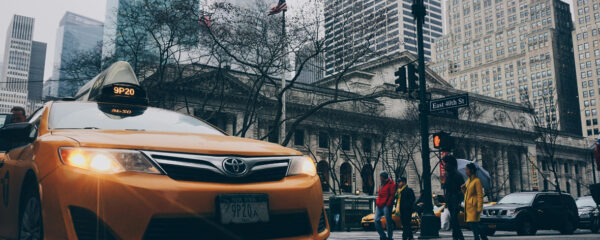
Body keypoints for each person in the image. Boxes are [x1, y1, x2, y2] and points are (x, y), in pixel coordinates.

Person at [462, 163, 487, 240]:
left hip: (474, 207)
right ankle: (483, 237)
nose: (466, 171)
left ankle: (478, 238)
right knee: (473, 225)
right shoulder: (468, 180)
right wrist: (463, 188)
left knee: (474, 225)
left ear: (471, 170)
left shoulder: (477, 181)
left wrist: (479, 207)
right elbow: (467, 193)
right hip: (468, 207)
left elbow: (480, 195)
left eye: (467, 169)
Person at [442, 155, 465, 240]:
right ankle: (456, 237)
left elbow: (462, 189)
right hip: (450, 201)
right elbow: (446, 189)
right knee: (453, 220)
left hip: (455, 200)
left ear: (450, 164)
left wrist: (459, 201)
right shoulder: (449, 175)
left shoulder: (457, 175)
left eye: (446, 164)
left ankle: (459, 237)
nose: (444, 166)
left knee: (454, 220)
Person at [375, 172, 396, 240]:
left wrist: (388, 204)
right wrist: (377, 202)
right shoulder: (381, 184)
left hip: (386, 205)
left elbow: (392, 195)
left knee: (388, 222)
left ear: (384, 178)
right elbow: (379, 194)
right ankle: (383, 236)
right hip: (379, 204)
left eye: (381, 177)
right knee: (376, 220)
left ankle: (390, 237)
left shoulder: (391, 184)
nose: (380, 179)